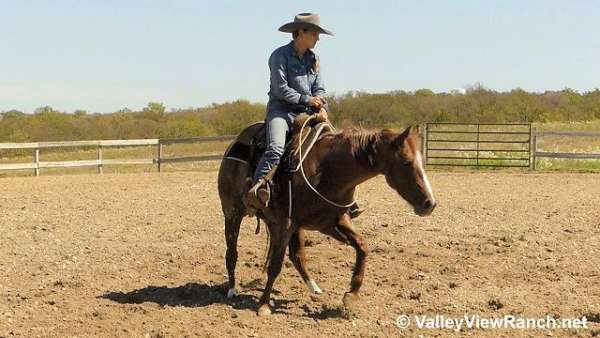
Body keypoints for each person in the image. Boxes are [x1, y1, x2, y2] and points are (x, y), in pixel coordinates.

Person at [246, 13, 363, 218]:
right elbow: (281, 89)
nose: (318, 38)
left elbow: (319, 87)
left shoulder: (313, 58)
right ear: (301, 32)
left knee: (336, 147)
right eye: (315, 34)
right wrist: (308, 100)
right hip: (281, 111)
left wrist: (320, 103)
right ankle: (257, 192)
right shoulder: (279, 56)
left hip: (308, 113)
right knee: (275, 148)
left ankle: (344, 199)